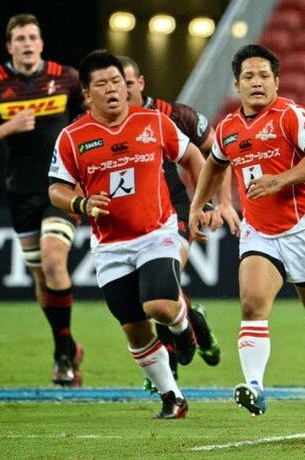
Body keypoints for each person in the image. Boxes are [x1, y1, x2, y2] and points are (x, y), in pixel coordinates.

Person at [187, 43, 305, 417]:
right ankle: (255, 387)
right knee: (252, 304)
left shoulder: (291, 115)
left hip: (303, 229)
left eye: (264, 75)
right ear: (237, 85)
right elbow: (214, 164)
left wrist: (280, 180)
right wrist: (200, 205)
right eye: (249, 76)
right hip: (258, 232)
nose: (257, 82)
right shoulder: (228, 128)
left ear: (277, 81)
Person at [48, 50, 206, 418]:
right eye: (102, 84)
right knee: (134, 328)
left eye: (117, 81)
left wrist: (202, 204)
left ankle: (184, 325)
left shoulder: (155, 121)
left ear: (127, 85)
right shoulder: (72, 137)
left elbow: (194, 158)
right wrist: (81, 203)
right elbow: (56, 189)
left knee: (159, 306)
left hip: (157, 232)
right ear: (87, 94)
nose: (112, 89)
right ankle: (172, 397)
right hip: (109, 246)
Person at [118, 55, 237, 391]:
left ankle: (168, 373)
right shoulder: (103, 125)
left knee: (159, 291)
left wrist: (217, 203)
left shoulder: (175, 115)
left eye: (127, 83)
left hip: (175, 213)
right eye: (113, 84)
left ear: (140, 83)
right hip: (130, 224)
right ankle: (195, 321)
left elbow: (217, 154)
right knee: (149, 297)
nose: (120, 90)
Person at [0, 13, 85, 386]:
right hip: (20, 191)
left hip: (62, 187)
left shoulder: (66, 77)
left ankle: (62, 356)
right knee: (41, 278)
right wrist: (8, 127)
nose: (27, 44)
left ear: (41, 43)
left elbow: (89, 117)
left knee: (53, 261)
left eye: (33, 37)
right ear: (10, 46)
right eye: (20, 38)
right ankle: (67, 344)